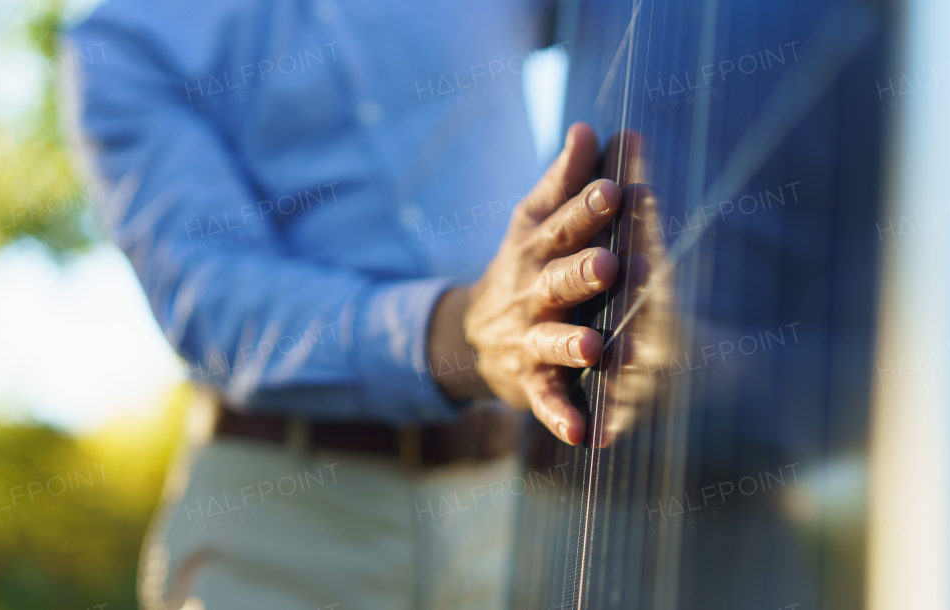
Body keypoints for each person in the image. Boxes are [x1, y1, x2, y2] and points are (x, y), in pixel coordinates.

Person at [63, 1, 644, 607]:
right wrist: (467, 336)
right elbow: (219, 306)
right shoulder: (128, 38)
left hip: (521, 508)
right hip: (284, 537)